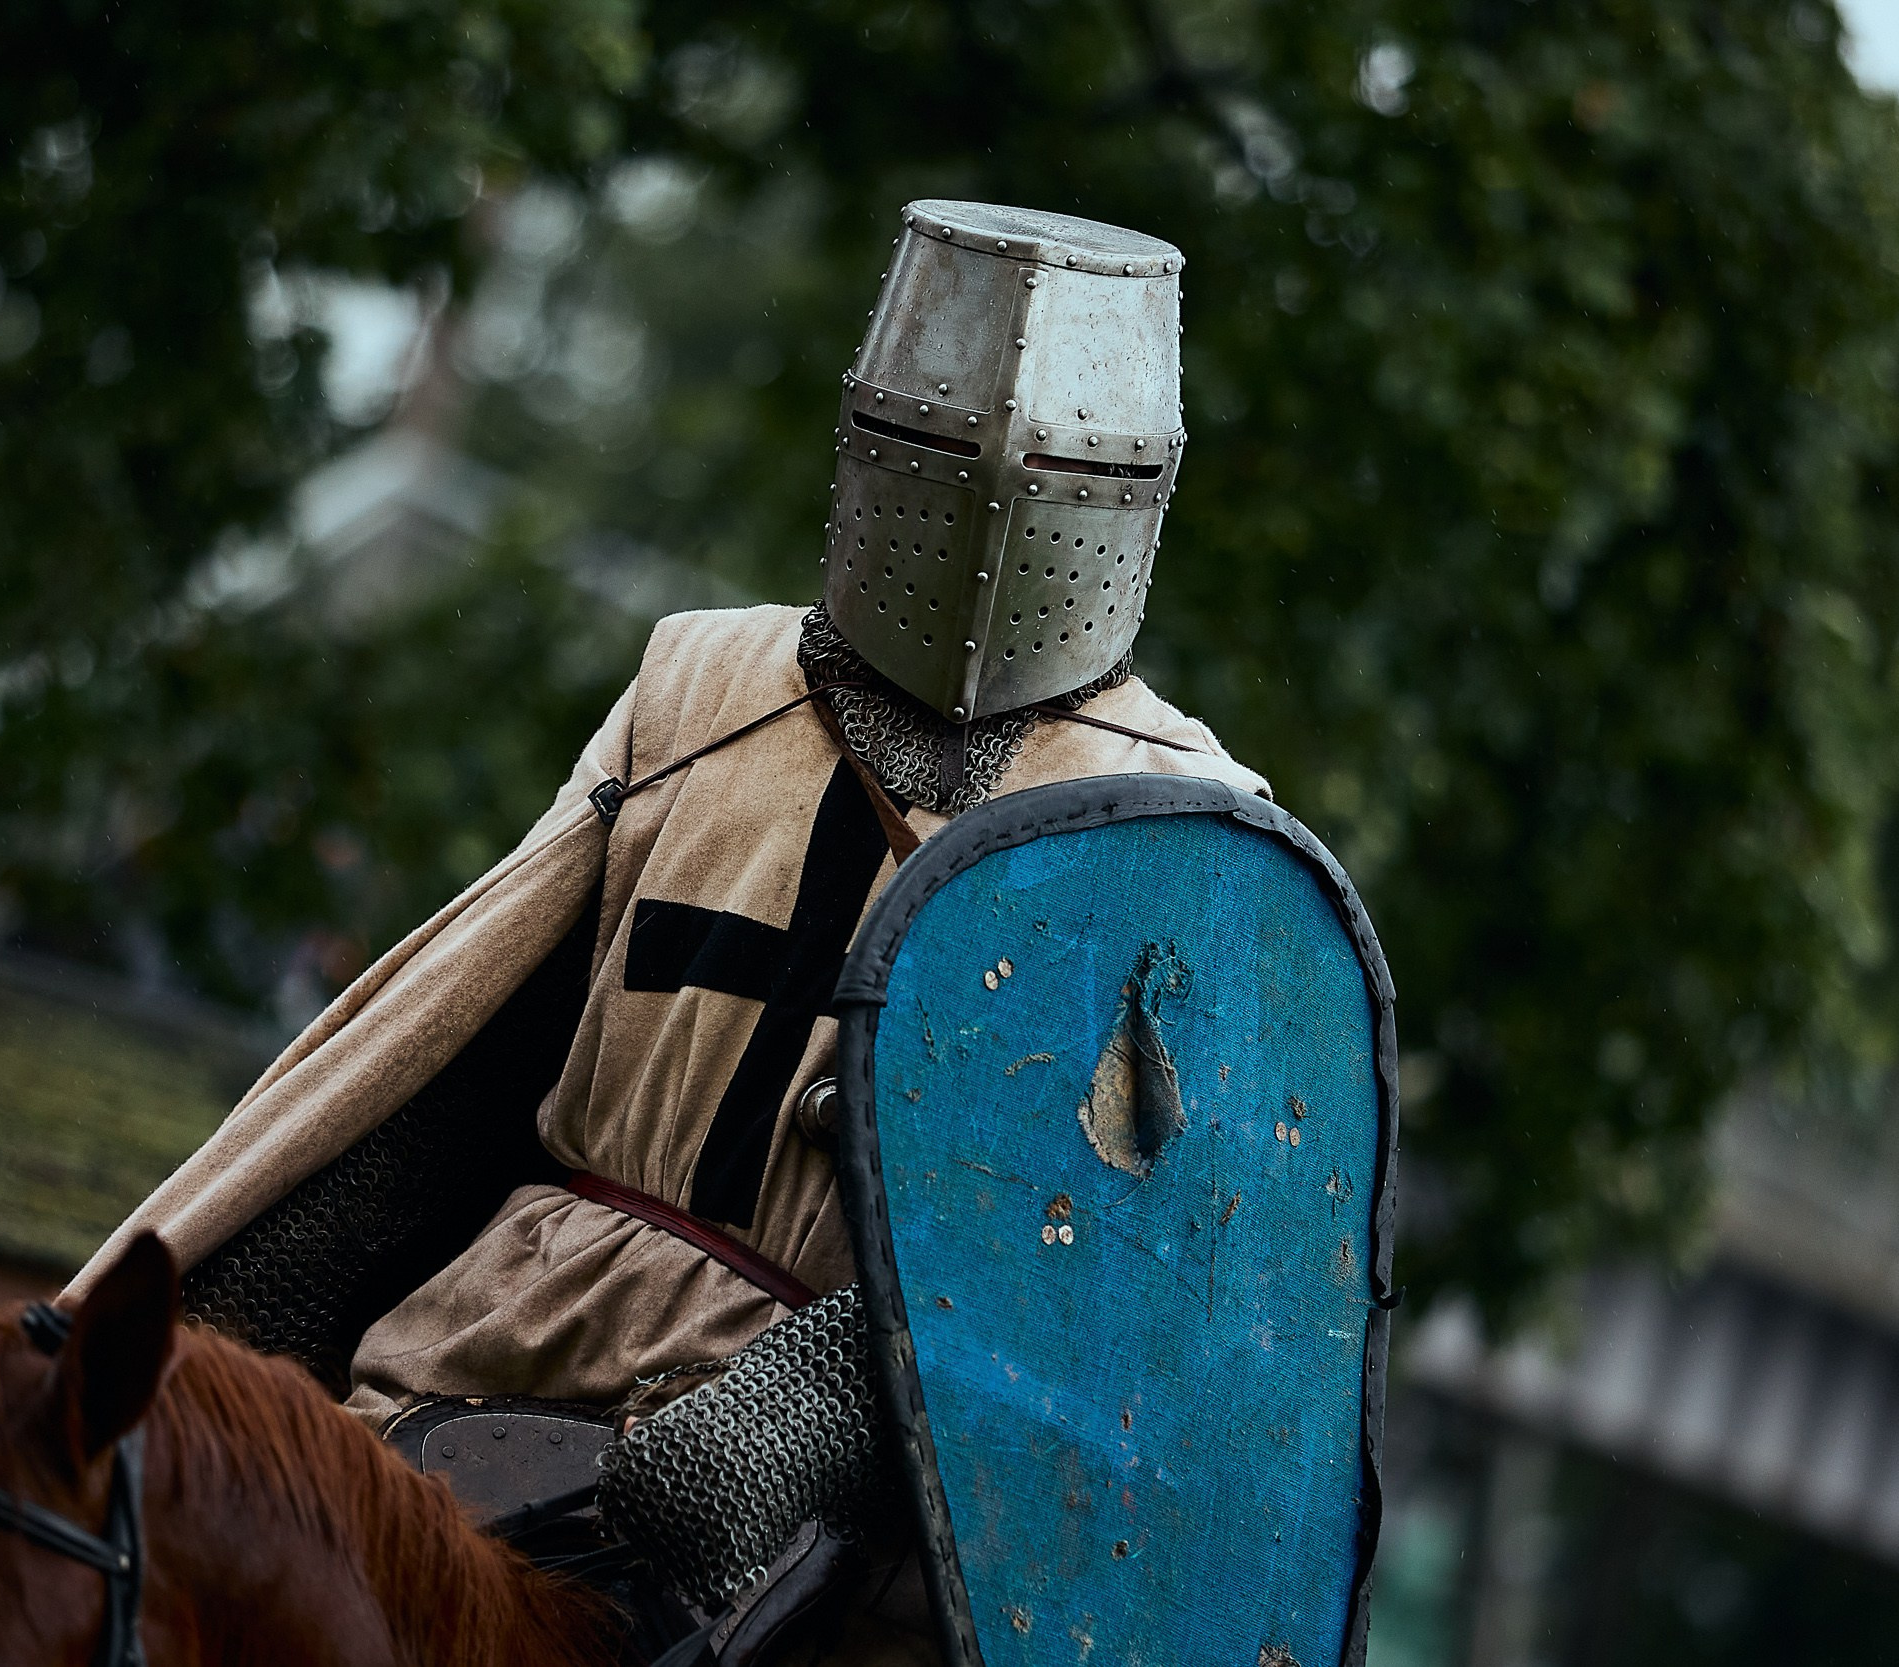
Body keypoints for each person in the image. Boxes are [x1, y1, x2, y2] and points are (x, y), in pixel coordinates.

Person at [70, 199, 1266, 1662]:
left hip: (890, 1517)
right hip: (483, 1353)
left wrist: (829, 1405)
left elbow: (1125, 1266)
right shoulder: (701, 688)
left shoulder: (1182, 826)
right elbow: (472, 1051)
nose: (1001, 494)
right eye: (944, 446)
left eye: (1066, 468)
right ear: (872, 436)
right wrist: (235, 1311)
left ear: (1137, 491)